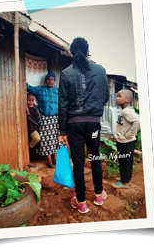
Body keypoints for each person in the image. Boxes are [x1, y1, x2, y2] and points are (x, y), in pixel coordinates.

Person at [58, 37, 110, 214]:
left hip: (74, 125)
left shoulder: (66, 73)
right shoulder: (101, 70)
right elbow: (106, 96)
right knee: (95, 157)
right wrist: (93, 111)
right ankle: (98, 193)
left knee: (79, 162)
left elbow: (63, 104)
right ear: (88, 51)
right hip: (93, 123)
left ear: (72, 53)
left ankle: (81, 201)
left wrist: (62, 130)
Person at [27, 73, 60, 168]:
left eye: (52, 79)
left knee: (54, 139)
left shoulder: (57, 91)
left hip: (55, 119)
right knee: (46, 140)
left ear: (54, 81)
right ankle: (49, 160)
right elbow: (30, 88)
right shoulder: (40, 90)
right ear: (46, 81)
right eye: (48, 79)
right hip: (44, 119)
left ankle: (55, 158)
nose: (50, 81)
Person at [114, 89, 140, 188]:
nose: (117, 98)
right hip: (122, 141)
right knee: (123, 161)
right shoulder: (125, 111)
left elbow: (137, 121)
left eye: (120, 96)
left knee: (126, 161)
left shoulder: (126, 111)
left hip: (126, 142)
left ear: (127, 100)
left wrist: (130, 134)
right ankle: (124, 178)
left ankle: (125, 183)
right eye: (117, 96)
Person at [26, 93, 41, 167]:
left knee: (37, 138)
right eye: (29, 100)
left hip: (32, 129)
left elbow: (37, 121)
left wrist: (29, 115)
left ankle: (28, 148)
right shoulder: (23, 107)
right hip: (24, 131)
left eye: (32, 100)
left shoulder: (35, 109)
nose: (31, 102)